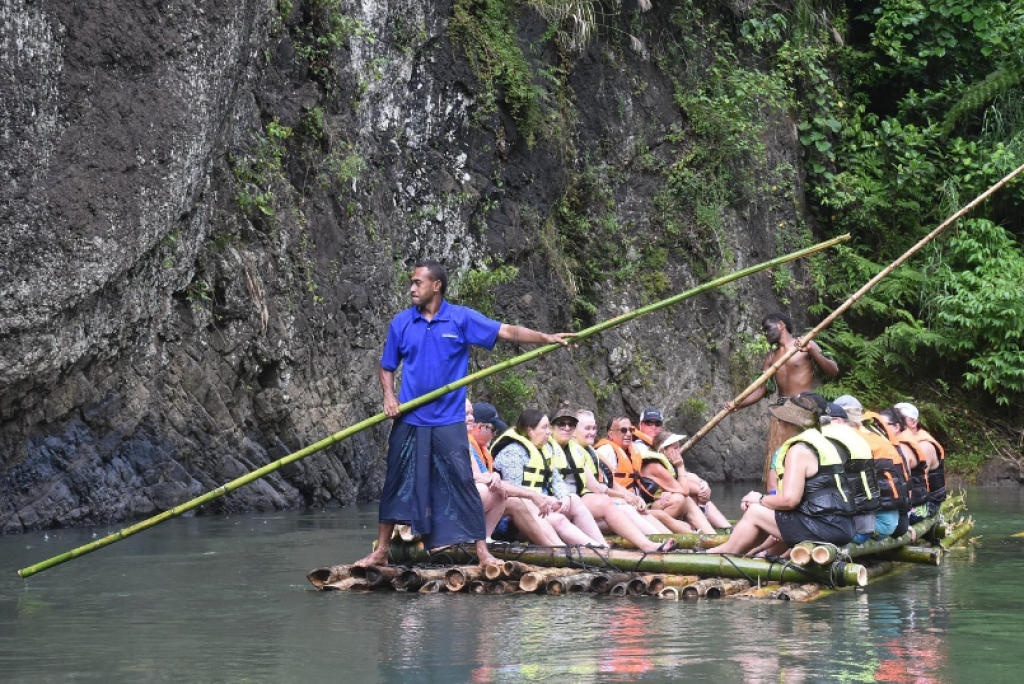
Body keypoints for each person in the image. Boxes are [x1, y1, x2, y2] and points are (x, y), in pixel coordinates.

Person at [355, 260, 574, 568]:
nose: (412, 288)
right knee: (395, 482)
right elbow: (387, 365)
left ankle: (483, 552)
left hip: (448, 420)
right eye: (411, 283)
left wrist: (546, 337)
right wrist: (389, 396)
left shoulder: (460, 318)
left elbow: (507, 331)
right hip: (409, 418)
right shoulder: (402, 322)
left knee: (462, 482)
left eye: (418, 283)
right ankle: (380, 552)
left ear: (436, 286)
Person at [709, 393, 856, 556]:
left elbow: (789, 500)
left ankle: (724, 553)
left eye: (780, 420)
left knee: (755, 511)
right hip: (842, 525)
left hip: (825, 528)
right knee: (762, 510)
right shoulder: (822, 442)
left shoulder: (799, 450)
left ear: (789, 424)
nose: (778, 423)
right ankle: (748, 553)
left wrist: (759, 499)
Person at [724, 312, 840, 488]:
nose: (765, 334)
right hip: (782, 413)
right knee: (779, 458)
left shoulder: (805, 345)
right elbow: (762, 390)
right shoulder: (771, 358)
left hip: (805, 409)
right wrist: (738, 405)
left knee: (804, 454)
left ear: (781, 325)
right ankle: (777, 492)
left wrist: (813, 351)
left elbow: (833, 370)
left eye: (767, 329)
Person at [547, 404, 676, 552]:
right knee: (622, 507)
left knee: (627, 507)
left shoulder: (578, 451)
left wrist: (629, 497)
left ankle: (668, 542)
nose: (567, 428)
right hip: (562, 504)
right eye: (561, 425)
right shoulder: (547, 449)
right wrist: (624, 497)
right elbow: (593, 488)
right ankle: (648, 544)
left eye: (571, 424)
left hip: (580, 504)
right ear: (551, 428)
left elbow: (595, 484)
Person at [492, 409, 607, 546]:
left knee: (574, 499)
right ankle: (595, 551)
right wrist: (545, 499)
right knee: (559, 520)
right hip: (513, 519)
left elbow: (557, 480)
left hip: (542, 507)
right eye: (544, 427)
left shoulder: (545, 450)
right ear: (530, 431)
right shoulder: (512, 453)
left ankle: (602, 546)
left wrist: (564, 497)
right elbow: (515, 491)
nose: (549, 432)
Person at [466, 401, 562, 545]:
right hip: (464, 511)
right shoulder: (511, 451)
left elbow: (485, 476)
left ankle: (559, 548)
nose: (494, 435)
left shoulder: (473, 447)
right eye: (493, 430)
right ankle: (555, 550)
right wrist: (535, 496)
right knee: (518, 500)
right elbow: (467, 476)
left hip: (483, 512)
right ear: (481, 428)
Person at [573, 410, 677, 535]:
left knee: (641, 511)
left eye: (594, 428)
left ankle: (673, 540)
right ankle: (660, 542)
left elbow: (610, 482)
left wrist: (634, 497)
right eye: (587, 428)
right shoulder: (602, 450)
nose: (592, 432)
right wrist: (626, 497)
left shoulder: (591, 451)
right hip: (589, 505)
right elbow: (597, 488)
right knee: (632, 510)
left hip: (612, 501)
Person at [595, 416, 693, 533]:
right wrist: (629, 498)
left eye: (630, 430)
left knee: (682, 510)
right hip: (619, 505)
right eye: (623, 430)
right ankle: (695, 540)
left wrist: (668, 491)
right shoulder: (606, 451)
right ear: (610, 434)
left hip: (636, 503)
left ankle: (698, 536)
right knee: (665, 517)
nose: (628, 434)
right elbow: (606, 485)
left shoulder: (633, 451)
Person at [646, 432, 730, 531]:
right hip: (651, 508)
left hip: (663, 503)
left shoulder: (667, 463)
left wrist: (703, 486)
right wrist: (680, 466)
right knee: (682, 498)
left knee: (694, 491)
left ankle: (713, 530)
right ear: (663, 450)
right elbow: (685, 492)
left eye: (679, 447)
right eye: (675, 448)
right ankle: (704, 531)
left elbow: (690, 478)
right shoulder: (655, 466)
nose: (679, 451)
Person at [894, 402, 946, 511]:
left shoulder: (924, 445)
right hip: (916, 499)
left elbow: (916, 481)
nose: (896, 423)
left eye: (900, 419)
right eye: (894, 419)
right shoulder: (904, 441)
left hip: (928, 504)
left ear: (913, 422)